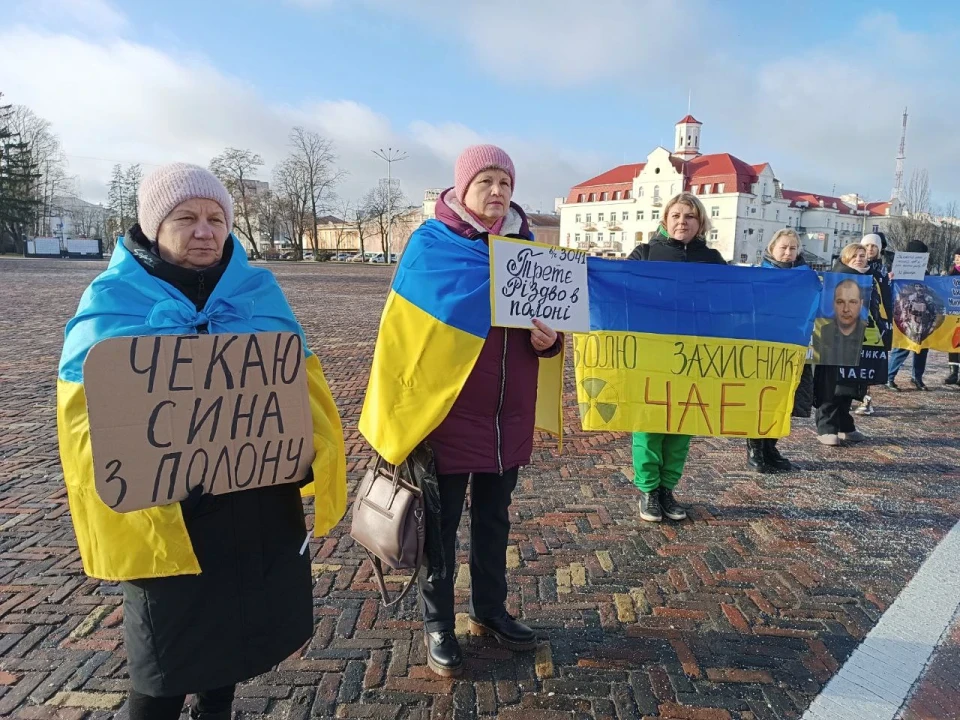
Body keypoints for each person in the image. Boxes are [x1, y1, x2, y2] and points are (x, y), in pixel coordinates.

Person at [56, 164, 347, 720]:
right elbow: (81, 420)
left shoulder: (257, 292)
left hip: (254, 507)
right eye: (185, 218)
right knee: (160, 673)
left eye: (216, 218)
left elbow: (300, 390)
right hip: (169, 516)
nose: (204, 231)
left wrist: (304, 453)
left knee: (234, 653)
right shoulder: (112, 301)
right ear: (152, 225)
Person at [382, 146, 562, 678]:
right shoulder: (430, 245)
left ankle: (490, 609)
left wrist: (549, 342)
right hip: (449, 415)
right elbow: (404, 337)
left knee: (495, 520)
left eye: (505, 181)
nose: (498, 190)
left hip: (508, 415)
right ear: (463, 186)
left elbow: (548, 334)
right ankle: (438, 622)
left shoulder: (528, 250)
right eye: (486, 179)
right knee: (440, 524)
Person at [627, 192, 725, 520]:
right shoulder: (644, 254)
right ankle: (648, 491)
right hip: (652, 354)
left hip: (695, 355)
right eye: (677, 215)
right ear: (665, 220)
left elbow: (730, 301)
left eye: (690, 216)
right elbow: (619, 291)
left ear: (700, 223)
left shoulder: (712, 260)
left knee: (682, 424)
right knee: (650, 423)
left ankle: (667, 490)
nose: (683, 221)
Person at [746, 229, 815, 473]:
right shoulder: (758, 276)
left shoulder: (808, 279)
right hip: (764, 349)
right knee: (761, 398)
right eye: (783, 247)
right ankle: (755, 448)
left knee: (785, 400)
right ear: (772, 249)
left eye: (793, 248)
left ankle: (770, 447)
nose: (787, 253)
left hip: (794, 349)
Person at [813, 243, 874, 446]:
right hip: (832, 338)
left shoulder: (870, 278)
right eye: (854, 255)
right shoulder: (837, 277)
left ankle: (844, 424)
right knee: (831, 384)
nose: (859, 258)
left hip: (858, 336)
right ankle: (826, 426)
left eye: (863, 255)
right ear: (845, 258)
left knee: (849, 383)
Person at [854, 233, 892, 414]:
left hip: (876, 322)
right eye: (867, 246)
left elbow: (887, 299)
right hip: (855, 319)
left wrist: (887, 323)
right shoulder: (855, 267)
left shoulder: (883, 272)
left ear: (879, 249)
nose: (870, 250)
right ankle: (853, 394)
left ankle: (866, 397)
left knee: (871, 361)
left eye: (873, 247)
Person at [887, 240, 931, 391]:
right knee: (902, 347)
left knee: (922, 347)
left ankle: (917, 377)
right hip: (906, 316)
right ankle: (889, 377)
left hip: (922, 317)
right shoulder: (900, 270)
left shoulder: (926, 272)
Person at [813, 279, 867, 365]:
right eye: (840, 302)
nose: (846, 309)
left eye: (852, 302)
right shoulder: (821, 332)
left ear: (861, 304)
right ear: (833, 304)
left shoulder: (866, 333)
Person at [946, 251, 960, 385]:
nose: (957, 261)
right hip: (953, 313)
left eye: (959, 258)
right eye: (956, 258)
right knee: (954, 342)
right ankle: (953, 373)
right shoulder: (951, 274)